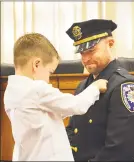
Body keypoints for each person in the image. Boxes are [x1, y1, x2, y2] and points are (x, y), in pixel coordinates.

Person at [3, 33, 108, 161]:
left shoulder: (12, 91)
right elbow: (76, 105)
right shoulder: (36, 89)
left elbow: (48, 113)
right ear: (36, 64)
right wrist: (95, 87)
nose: (48, 80)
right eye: (50, 72)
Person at [66, 19, 134, 161]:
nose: (85, 59)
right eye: (81, 53)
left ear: (110, 43)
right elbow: (73, 132)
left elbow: (118, 149)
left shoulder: (126, 87)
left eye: (91, 51)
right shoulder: (82, 87)